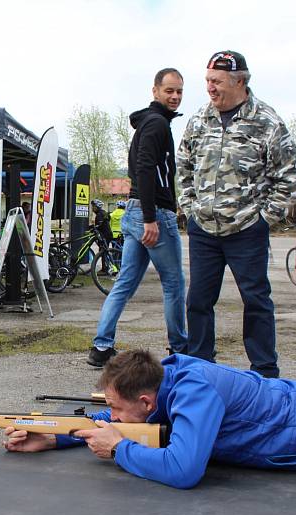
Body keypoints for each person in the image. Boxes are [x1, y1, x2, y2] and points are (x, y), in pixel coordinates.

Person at [5, 349, 296, 489]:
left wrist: (120, 448)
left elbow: (184, 470)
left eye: (119, 409)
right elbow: (107, 418)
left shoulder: (195, 391)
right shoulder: (164, 385)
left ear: (145, 401)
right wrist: (55, 437)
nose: (113, 416)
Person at [177, 51, 296, 378]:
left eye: (216, 82)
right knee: (198, 303)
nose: (209, 88)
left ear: (240, 81)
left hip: (247, 230)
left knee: (256, 301)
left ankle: (264, 372)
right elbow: (183, 169)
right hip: (204, 229)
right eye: (207, 80)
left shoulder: (268, 122)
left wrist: (264, 219)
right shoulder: (199, 120)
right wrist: (190, 208)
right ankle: (199, 370)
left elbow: (289, 178)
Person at [87, 69, 187, 368]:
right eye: (169, 90)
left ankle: (101, 347)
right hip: (151, 212)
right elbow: (144, 169)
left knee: (125, 282)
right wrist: (150, 218)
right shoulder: (156, 124)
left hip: (136, 210)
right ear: (155, 91)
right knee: (174, 284)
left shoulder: (149, 123)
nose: (175, 96)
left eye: (179, 91)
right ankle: (180, 349)